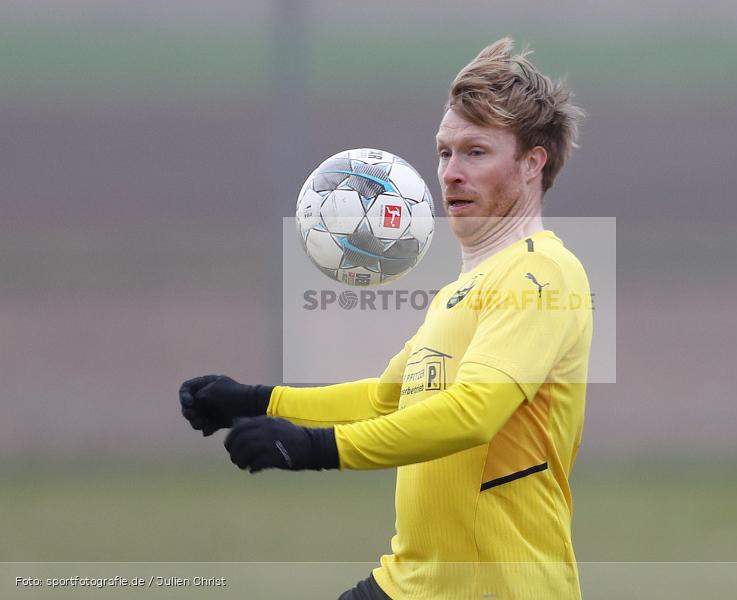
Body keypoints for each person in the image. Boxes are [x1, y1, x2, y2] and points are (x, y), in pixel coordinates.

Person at [180, 38, 591, 600]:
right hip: (410, 583)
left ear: (531, 163)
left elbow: (473, 414)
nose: (450, 173)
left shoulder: (543, 274)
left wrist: (316, 450)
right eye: (444, 153)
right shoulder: (461, 289)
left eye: (475, 152)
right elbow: (386, 399)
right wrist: (257, 400)